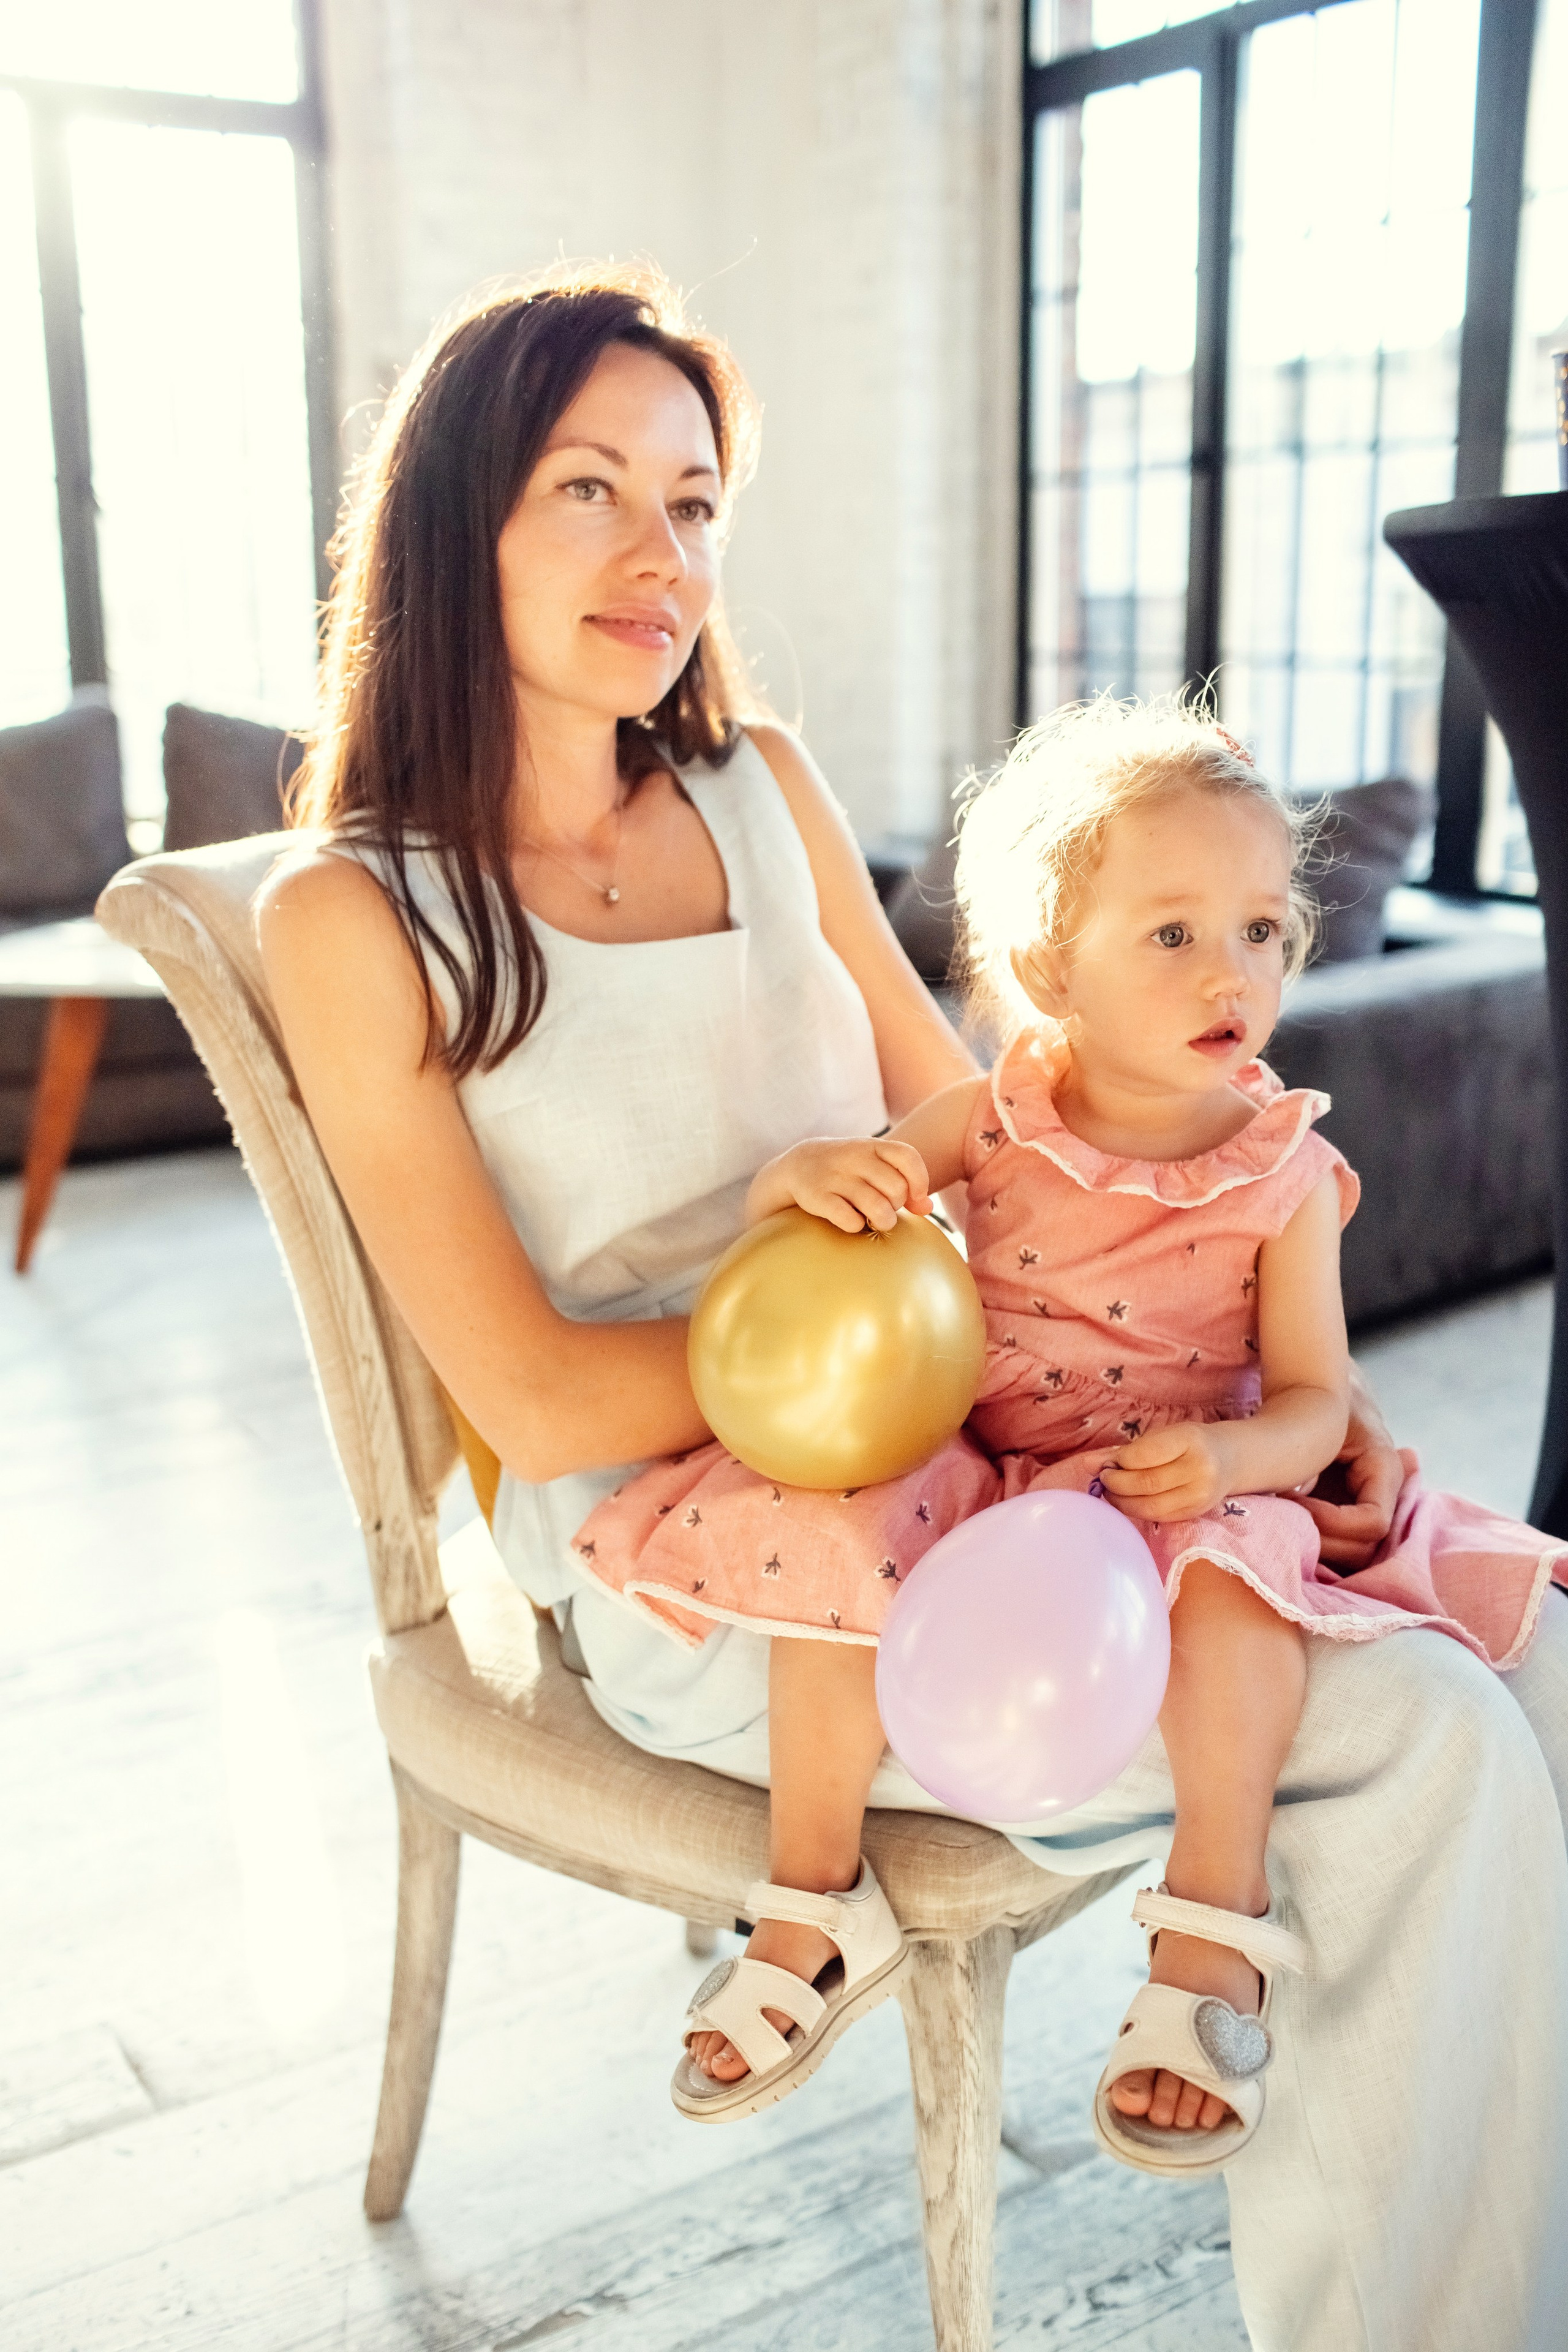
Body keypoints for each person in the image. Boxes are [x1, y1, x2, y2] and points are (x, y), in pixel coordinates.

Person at [255, 263, 1568, 2349]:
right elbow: (532, 1390)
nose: (660, 554)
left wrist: (1235, 1362)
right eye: (589, 489)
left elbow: (971, 1111)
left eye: (695, 503)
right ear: (452, 518)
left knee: (1534, 1648)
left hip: (990, 1442)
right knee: (1420, 1737)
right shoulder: (353, 911)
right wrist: (852, 1360)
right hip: (725, 1554)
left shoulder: (757, 783)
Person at [579, 696, 1568, 2164]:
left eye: (1257, 929)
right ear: (1054, 968)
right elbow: (855, 1185)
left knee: (1230, 1606)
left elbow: (1315, 1401)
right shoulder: (992, 1116)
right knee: (827, 1555)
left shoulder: (1282, 1175)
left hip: (1182, 1477)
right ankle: (811, 1898)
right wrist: (800, 1181)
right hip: (988, 1466)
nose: (1228, 971)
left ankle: (1210, 1925)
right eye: (1169, 934)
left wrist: (1228, 1462)